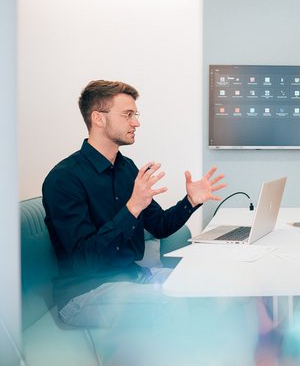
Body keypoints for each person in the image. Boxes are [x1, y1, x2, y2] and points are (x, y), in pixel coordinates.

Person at [42, 80, 226, 328]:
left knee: (210, 286)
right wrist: (131, 209)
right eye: (128, 115)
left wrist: (190, 201)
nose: (136, 122)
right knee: (170, 301)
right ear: (98, 118)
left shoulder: (126, 168)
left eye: (135, 115)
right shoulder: (63, 179)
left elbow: (159, 226)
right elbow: (84, 261)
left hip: (131, 278)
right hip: (84, 293)